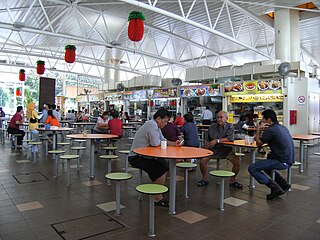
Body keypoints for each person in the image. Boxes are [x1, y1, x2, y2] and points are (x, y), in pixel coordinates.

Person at [128, 108, 182, 207]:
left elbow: (163, 140)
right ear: (158, 118)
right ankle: (157, 198)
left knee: (163, 165)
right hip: (135, 157)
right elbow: (156, 143)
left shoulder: (156, 126)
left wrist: (175, 143)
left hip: (144, 155)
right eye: (165, 121)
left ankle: (157, 189)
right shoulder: (151, 125)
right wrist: (167, 144)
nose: (166, 124)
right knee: (161, 168)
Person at [248, 109, 294, 200]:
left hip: (281, 161)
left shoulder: (271, 130)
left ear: (269, 119)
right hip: (289, 160)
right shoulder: (283, 128)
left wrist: (258, 129)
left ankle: (274, 187)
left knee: (252, 168)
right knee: (267, 167)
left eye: (263, 119)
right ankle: (283, 184)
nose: (262, 121)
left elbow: (258, 143)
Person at [198, 111, 242, 188]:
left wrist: (217, 140)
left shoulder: (230, 126)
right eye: (218, 117)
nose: (219, 119)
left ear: (226, 118)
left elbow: (229, 138)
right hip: (213, 150)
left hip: (226, 150)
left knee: (237, 162)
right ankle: (204, 179)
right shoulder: (212, 127)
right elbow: (207, 139)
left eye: (221, 117)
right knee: (202, 161)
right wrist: (205, 147)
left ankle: (232, 180)